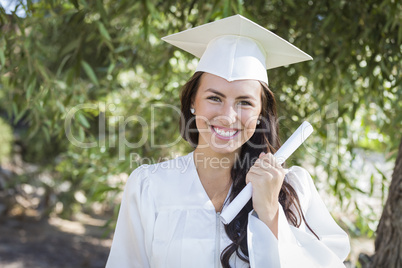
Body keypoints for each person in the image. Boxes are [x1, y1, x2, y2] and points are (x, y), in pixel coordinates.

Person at [106, 15, 350, 268]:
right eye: (214, 98)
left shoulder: (294, 189)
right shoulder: (150, 187)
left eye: (244, 102)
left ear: (260, 115)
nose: (227, 116)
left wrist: (269, 211)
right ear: (192, 101)